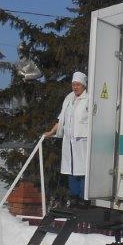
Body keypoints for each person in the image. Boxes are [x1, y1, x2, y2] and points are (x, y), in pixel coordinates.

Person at [44, 71, 90, 204]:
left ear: (84, 85)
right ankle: (74, 197)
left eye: (78, 85)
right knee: (71, 168)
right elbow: (61, 119)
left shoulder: (89, 99)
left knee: (82, 169)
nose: (75, 87)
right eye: (73, 84)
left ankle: (83, 198)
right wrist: (51, 132)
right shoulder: (69, 98)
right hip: (69, 141)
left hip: (82, 140)